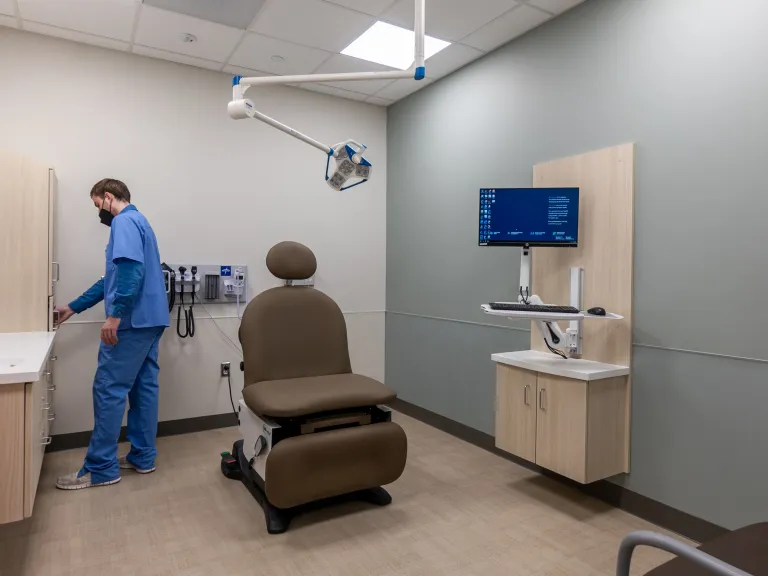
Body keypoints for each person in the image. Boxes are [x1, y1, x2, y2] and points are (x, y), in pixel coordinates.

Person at [55, 179, 170, 490]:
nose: (99, 214)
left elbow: (130, 273)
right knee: (144, 389)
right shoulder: (140, 222)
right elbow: (111, 278)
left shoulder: (124, 222)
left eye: (97, 206)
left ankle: (102, 467)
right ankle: (143, 457)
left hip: (132, 322)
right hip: (151, 320)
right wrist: (73, 307)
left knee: (108, 388)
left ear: (108, 198)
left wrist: (114, 318)